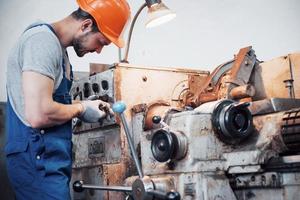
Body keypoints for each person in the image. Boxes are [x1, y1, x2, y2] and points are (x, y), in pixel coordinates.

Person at [5, 0, 130, 199]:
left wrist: (86, 107)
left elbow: (48, 104)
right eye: (101, 42)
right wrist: (80, 108)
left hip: (49, 160)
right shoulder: (42, 42)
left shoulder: (59, 51)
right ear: (86, 25)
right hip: (38, 160)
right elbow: (39, 114)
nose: (98, 50)